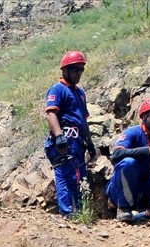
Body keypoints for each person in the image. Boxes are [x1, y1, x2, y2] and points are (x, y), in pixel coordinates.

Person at [44, 51, 96, 217]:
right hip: (65, 137)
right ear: (64, 71)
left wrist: (89, 142)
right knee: (66, 176)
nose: (78, 73)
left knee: (80, 178)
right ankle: (68, 213)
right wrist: (59, 136)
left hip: (78, 140)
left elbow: (83, 120)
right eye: (75, 69)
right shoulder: (58, 89)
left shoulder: (80, 93)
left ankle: (80, 213)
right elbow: (51, 113)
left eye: (81, 69)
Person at [107, 96, 150, 223]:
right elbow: (116, 155)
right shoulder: (132, 132)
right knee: (128, 162)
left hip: (147, 188)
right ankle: (124, 208)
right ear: (144, 116)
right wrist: (147, 151)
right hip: (121, 189)